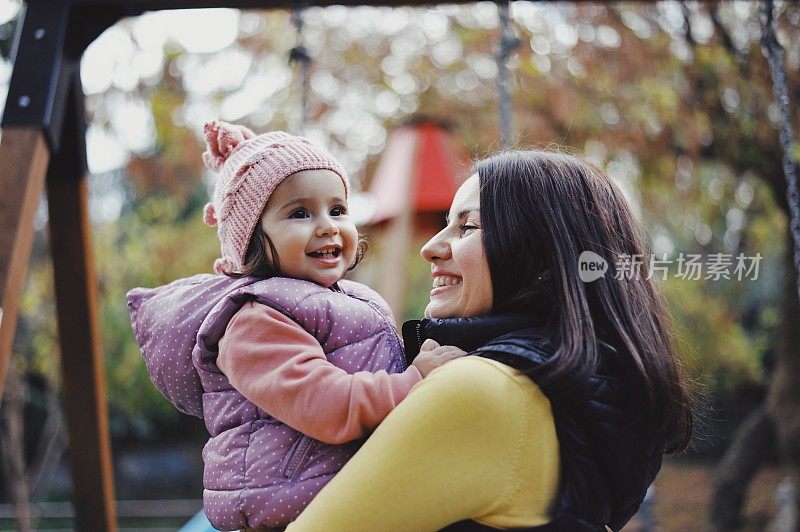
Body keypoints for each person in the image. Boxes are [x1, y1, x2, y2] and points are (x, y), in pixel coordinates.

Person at [287, 149, 694, 531]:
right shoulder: (574, 401)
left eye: (468, 226)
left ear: (544, 263)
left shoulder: (482, 390)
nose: (430, 247)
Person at [126, 121, 466, 530]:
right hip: (290, 507)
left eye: (338, 209)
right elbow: (325, 404)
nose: (327, 225)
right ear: (251, 239)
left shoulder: (344, 299)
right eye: (300, 213)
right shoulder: (255, 321)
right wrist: (414, 382)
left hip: (342, 491)